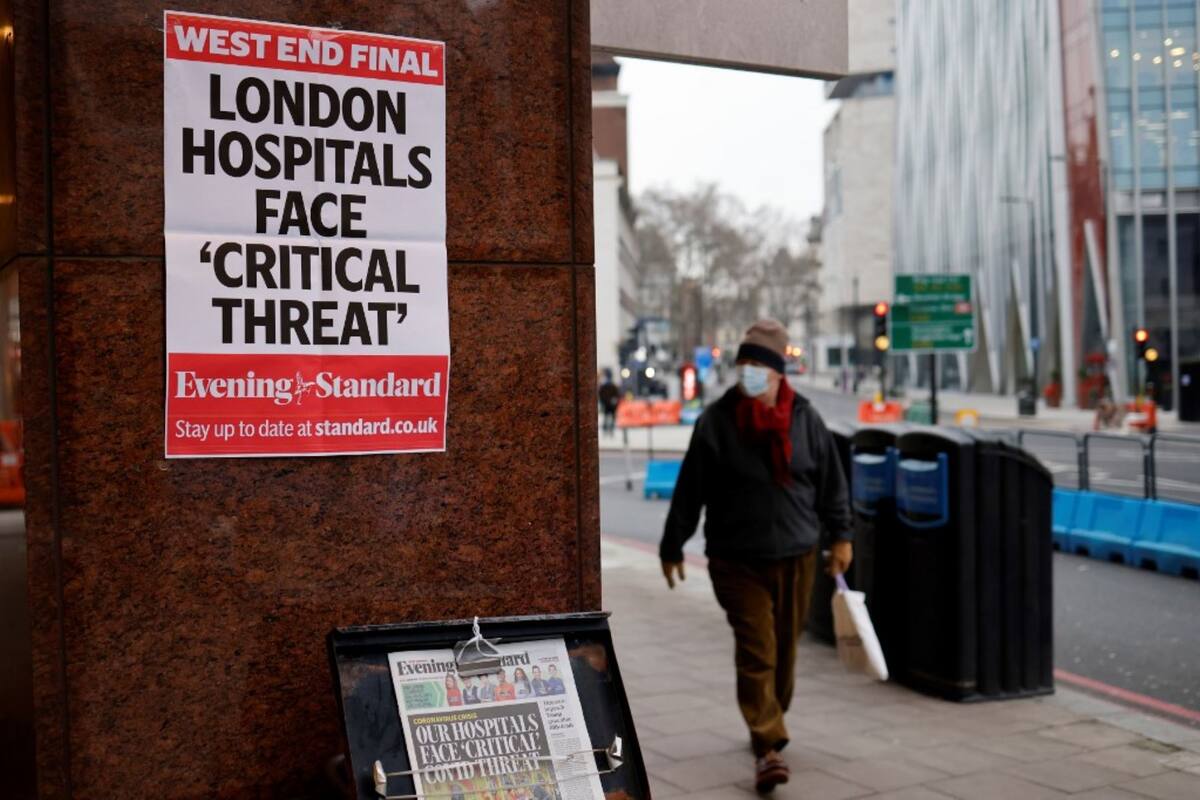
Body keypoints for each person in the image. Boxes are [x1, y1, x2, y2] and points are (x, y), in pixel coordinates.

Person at [659, 319, 853, 795]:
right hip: (736, 559)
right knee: (757, 650)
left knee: (784, 655)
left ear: (778, 374)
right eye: (742, 363)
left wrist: (842, 537)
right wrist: (672, 544)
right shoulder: (717, 422)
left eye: (756, 365)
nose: (747, 372)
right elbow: (690, 490)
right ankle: (768, 746)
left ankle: (767, 719)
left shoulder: (806, 419)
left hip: (797, 555)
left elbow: (830, 485)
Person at [598, 369, 620, 437]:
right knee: (608, 417)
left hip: (609, 405)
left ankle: (609, 431)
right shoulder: (609, 386)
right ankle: (608, 431)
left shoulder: (607, 386)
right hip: (609, 405)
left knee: (608, 417)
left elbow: (616, 395)